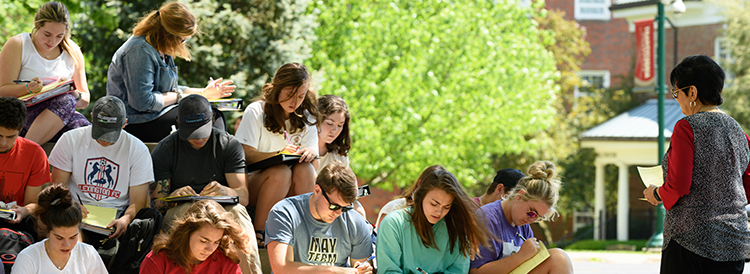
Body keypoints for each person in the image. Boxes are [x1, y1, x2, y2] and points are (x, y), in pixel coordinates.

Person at [643, 55, 750, 274]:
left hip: (689, 241)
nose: (676, 99)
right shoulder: (739, 131)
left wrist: (656, 194)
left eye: (677, 92)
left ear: (692, 92)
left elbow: (679, 185)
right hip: (734, 241)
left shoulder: (686, 127)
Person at [150, 94, 261, 274]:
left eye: (202, 131)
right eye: (192, 133)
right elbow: (156, 203)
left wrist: (225, 191)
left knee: (238, 212)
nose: (198, 138)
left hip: (221, 210)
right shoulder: (166, 149)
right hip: (181, 210)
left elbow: (244, 197)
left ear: (213, 119)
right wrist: (173, 197)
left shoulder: (228, 145)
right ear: (179, 123)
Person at [106, 1, 235, 142]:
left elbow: (170, 90)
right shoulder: (139, 51)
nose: (184, 43)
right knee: (208, 118)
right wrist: (180, 96)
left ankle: (219, 162)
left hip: (154, 116)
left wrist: (203, 92)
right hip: (136, 122)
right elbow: (143, 103)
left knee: (212, 115)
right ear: (169, 35)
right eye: (183, 39)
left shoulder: (160, 49)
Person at [235, 62, 319, 246]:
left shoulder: (307, 117)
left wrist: (310, 152)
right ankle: (260, 232)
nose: (295, 102)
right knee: (281, 171)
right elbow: (245, 155)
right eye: (290, 95)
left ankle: (306, 231)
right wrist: (278, 154)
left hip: (293, 183)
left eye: (301, 96)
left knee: (304, 168)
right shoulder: (257, 111)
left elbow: (315, 162)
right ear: (278, 88)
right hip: (256, 182)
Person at [48, 95, 153, 242]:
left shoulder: (137, 149)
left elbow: (138, 201)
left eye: (110, 134)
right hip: (73, 214)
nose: (103, 139)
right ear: (92, 118)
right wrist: (69, 203)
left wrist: (126, 219)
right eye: (100, 131)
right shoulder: (70, 139)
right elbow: (58, 188)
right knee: (71, 237)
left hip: (116, 216)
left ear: (124, 124)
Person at [0, 1, 91, 145]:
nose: (52, 41)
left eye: (59, 36)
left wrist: (72, 92)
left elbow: (84, 101)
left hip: (60, 114)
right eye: (47, 34)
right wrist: (28, 88)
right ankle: (24, 151)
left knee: (83, 128)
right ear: (36, 24)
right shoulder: (18, 44)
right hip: (22, 114)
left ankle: (27, 152)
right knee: (66, 102)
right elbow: (2, 91)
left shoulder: (72, 51)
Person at [377, 165, 489, 274]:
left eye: (447, 207)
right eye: (434, 204)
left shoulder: (456, 229)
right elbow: (388, 270)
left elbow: (459, 270)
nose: (439, 212)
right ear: (420, 196)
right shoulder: (393, 223)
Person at [265, 161, 373, 273]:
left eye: (345, 208)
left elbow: (360, 267)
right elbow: (282, 268)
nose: (339, 212)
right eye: (334, 206)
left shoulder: (355, 221)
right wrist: (334, 271)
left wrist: (362, 270)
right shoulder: (285, 212)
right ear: (317, 190)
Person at [469, 161, 573, 274]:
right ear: (519, 196)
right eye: (532, 213)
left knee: (559, 259)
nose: (532, 220)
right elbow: (475, 271)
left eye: (538, 218)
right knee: (558, 258)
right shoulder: (487, 218)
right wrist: (521, 256)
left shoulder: (522, 224)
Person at [12, 184, 107, 273]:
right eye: (59, 238)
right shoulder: (28, 259)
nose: (67, 245)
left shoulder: (88, 254)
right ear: (47, 229)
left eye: (73, 237)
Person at [140, 200, 249, 274]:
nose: (210, 249)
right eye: (204, 241)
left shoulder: (226, 263)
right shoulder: (158, 260)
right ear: (187, 233)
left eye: (217, 242)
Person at [0, 97, 48, 239]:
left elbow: (32, 203)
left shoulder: (34, 153)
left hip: (16, 222)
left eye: (10, 136)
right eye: (0, 135)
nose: (3, 142)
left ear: (20, 130)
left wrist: (24, 211)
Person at [314, 94, 367, 218]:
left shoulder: (339, 154)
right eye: (329, 123)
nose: (334, 130)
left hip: (335, 203)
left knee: (359, 212)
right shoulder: (302, 145)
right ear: (317, 119)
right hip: (314, 202)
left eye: (340, 125)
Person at [374, 165, 444, 231]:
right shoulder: (395, 208)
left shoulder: (442, 219)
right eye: (433, 203)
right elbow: (379, 240)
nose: (439, 212)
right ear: (419, 184)